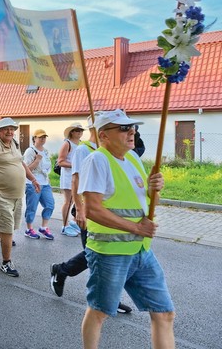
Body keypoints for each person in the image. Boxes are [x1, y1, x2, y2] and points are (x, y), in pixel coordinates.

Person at [78, 109, 172, 348]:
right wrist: (136, 228)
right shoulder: (97, 160)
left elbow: (146, 203)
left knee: (164, 313)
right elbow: (93, 210)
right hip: (110, 252)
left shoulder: (133, 158)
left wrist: (154, 190)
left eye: (132, 127)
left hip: (140, 250)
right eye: (123, 128)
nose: (132, 131)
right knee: (100, 312)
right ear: (104, 135)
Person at [50, 113, 133, 314]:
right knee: (94, 253)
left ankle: (63, 271)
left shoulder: (110, 150)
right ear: (99, 130)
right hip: (89, 210)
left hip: (108, 210)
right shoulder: (82, 151)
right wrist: (79, 209)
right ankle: (63, 272)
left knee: (103, 253)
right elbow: (75, 180)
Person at [0, 117, 40, 276]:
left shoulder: (14, 143)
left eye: (12, 129)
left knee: (9, 227)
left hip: (17, 195)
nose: (10, 131)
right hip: (0, 196)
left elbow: (21, 163)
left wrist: (32, 178)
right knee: (7, 230)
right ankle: (6, 263)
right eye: (6, 128)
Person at [22, 129, 55, 240]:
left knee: (50, 205)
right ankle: (29, 229)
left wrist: (48, 178)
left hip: (45, 183)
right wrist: (36, 161)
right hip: (32, 183)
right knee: (32, 207)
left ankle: (44, 227)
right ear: (34, 138)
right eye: (40, 137)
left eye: (44, 137)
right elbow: (26, 169)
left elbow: (47, 167)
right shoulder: (30, 151)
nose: (43, 139)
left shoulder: (45, 151)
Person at [57, 122, 84, 237]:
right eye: (77, 130)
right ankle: (64, 225)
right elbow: (60, 161)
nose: (80, 132)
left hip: (79, 176)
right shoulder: (67, 143)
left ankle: (72, 222)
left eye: (81, 130)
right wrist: (75, 165)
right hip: (68, 176)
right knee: (68, 201)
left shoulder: (82, 144)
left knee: (75, 200)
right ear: (71, 132)